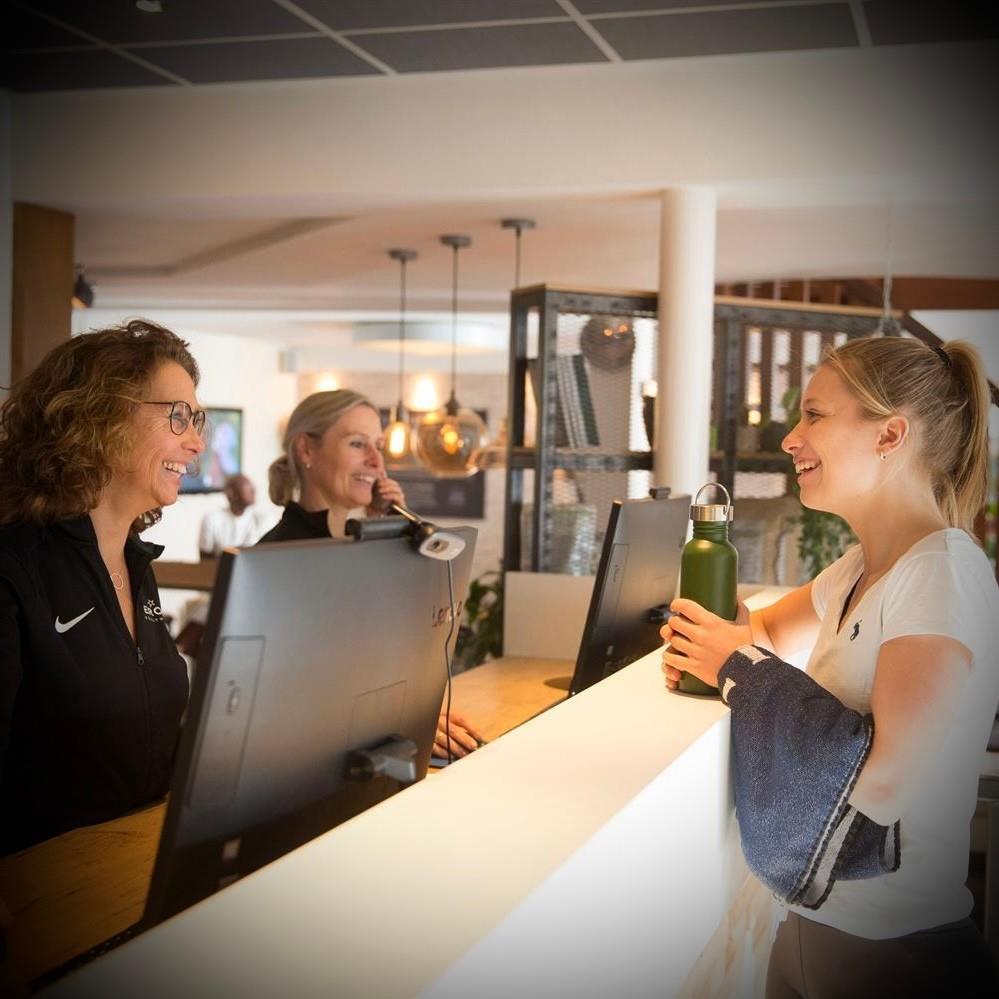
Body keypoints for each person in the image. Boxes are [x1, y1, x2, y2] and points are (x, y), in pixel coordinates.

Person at [661, 336, 999, 997]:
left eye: (814, 415)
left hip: (898, 955)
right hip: (809, 931)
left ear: (889, 434)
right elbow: (755, 635)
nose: (790, 439)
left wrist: (739, 667)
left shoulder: (942, 571)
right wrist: (712, 635)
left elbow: (885, 783)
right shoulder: (858, 569)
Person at [0, 319, 206, 856]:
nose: (196, 442)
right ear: (100, 417)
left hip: (138, 866)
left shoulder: (136, 563)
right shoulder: (14, 567)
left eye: (196, 419)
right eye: (178, 416)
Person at [262, 389, 485, 759]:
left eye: (378, 446)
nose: (376, 462)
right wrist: (399, 720)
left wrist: (392, 528)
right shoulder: (281, 557)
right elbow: (301, 695)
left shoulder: (353, 548)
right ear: (306, 450)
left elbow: (403, 648)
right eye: (357, 443)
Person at [198, 473, 271, 559]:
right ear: (231, 493)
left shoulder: (264, 519)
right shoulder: (212, 519)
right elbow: (205, 559)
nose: (253, 490)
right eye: (246, 485)